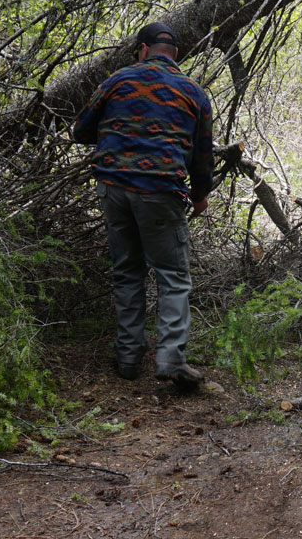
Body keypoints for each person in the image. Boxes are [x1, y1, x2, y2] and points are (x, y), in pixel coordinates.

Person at [73, 21, 216, 389]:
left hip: (113, 187)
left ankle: (128, 357)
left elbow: (81, 131)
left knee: (127, 271)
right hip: (160, 190)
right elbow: (202, 155)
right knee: (172, 276)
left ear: (141, 49)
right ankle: (169, 359)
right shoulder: (194, 92)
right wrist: (200, 195)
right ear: (176, 55)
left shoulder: (117, 80)